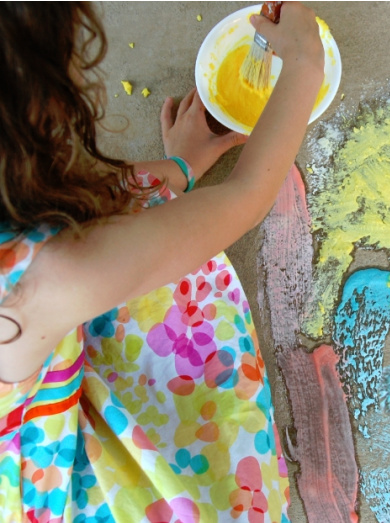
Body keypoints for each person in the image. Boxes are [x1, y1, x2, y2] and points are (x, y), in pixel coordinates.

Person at [0, 2, 324, 521]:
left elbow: (64, 201)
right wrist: (306, 63)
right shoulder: (43, 279)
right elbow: (246, 196)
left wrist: (179, 166)